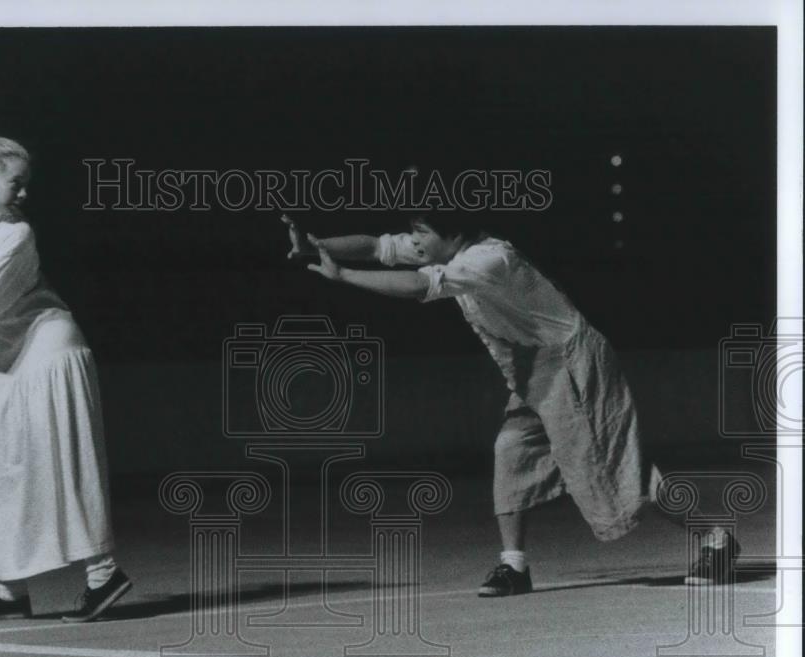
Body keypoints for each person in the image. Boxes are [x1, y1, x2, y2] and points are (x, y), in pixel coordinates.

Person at [284, 213, 740, 595]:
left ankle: (716, 540)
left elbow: (416, 286)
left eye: (423, 233)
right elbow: (377, 247)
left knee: (618, 465)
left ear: (455, 235)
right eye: (414, 233)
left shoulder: (488, 260)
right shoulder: (445, 247)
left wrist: (341, 276)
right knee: (511, 451)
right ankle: (514, 565)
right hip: (531, 371)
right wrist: (315, 244)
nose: (414, 242)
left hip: (572, 363)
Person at [0, 137, 131, 622]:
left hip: (51, 350)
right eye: (15, 182)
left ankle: (104, 576)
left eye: (25, 185)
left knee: (67, 466)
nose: (23, 194)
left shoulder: (18, 237)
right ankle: (11, 592)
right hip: (8, 361)